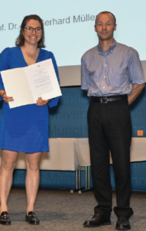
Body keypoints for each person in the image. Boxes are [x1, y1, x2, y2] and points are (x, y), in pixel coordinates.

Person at [0, 14, 60, 225]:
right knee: (8, 164)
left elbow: (54, 89)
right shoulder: (9, 54)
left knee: (33, 165)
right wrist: (2, 93)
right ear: (22, 31)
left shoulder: (48, 56)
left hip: (37, 116)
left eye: (37, 29)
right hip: (14, 114)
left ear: (42, 33)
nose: (33, 32)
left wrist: (48, 98)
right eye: (29, 28)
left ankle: (30, 210)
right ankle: (3, 208)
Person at [81, 11, 145, 230]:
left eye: (108, 24)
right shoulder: (87, 56)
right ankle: (103, 212)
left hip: (119, 108)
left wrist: (121, 105)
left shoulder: (129, 52)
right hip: (95, 110)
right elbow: (86, 87)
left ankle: (123, 214)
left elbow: (139, 83)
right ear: (95, 27)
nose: (104, 27)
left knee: (121, 164)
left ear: (115, 27)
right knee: (98, 165)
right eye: (100, 24)